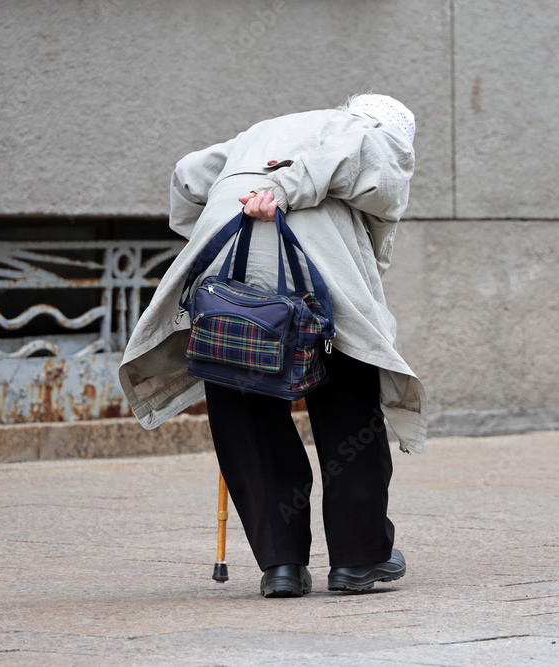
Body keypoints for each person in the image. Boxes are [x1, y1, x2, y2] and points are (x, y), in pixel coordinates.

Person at [118, 94, 427, 598]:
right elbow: (366, 162)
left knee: (241, 380)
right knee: (347, 398)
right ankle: (357, 557)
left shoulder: (267, 129)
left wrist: (211, 222)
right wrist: (282, 188)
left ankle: (280, 563)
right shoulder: (372, 131)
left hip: (229, 250)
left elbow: (188, 174)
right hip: (312, 266)